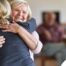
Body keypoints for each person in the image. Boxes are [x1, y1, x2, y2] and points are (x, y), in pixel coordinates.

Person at [0, 0, 43, 66]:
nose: (20, 14)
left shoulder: (31, 31)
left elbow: (37, 49)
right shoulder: (3, 25)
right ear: (9, 12)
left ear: (28, 15)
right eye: (17, 10)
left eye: (24, 12)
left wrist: (19, 29)